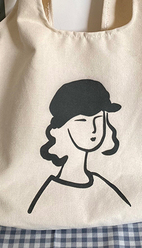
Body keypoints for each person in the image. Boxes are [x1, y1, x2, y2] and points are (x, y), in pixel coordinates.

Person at [28, 79, 131, 214]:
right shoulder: (51, 193)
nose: (93, 129)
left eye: (98, 119)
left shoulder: (100, 183)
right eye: (82, 120)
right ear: (63, 126)